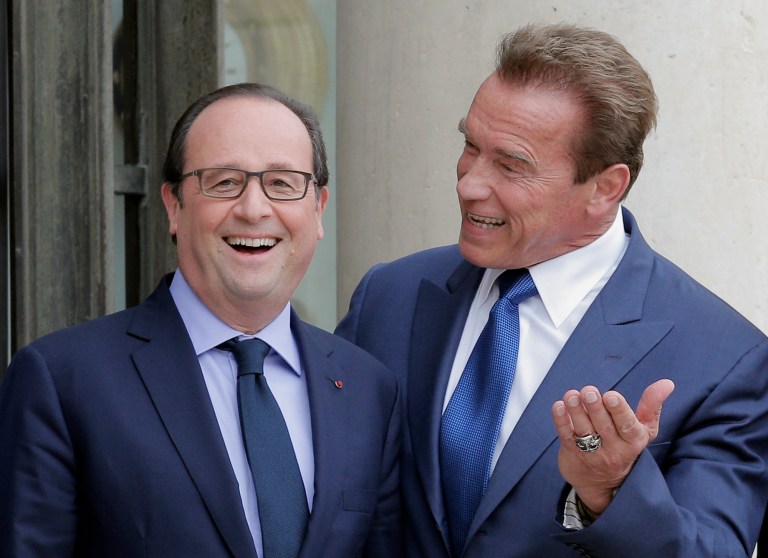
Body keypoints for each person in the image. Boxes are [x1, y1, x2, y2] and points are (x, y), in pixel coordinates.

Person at [336, 23, 768, 557]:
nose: (469, 183)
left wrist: (610, 493)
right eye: (470, 146)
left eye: (511, 166)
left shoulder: (725, 359)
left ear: (605, 187)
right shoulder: (390, 295)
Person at [0, 83, 401, 557]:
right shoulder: (62, 381)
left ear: (318, 209)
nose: (254, 209)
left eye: (283, 183)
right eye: (224, 182)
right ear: (174, 205)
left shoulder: (367, 388)